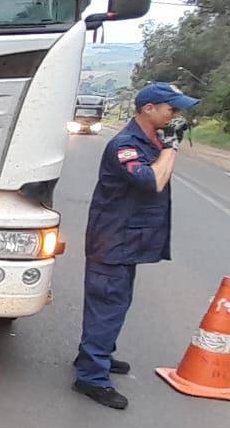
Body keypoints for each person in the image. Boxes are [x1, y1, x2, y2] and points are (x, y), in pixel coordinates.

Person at [72, 81, 199, 409]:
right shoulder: (125, 145)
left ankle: (96, 354)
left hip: (125, 240)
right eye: (171, 109)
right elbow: (153, 181)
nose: (175, 116)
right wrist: (170, 148)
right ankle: (91, 377)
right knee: (108, 302)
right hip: (112, 240)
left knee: (115, 302)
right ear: (149, 109)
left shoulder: (149, 142)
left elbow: (161, 175)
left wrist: (167, 145)